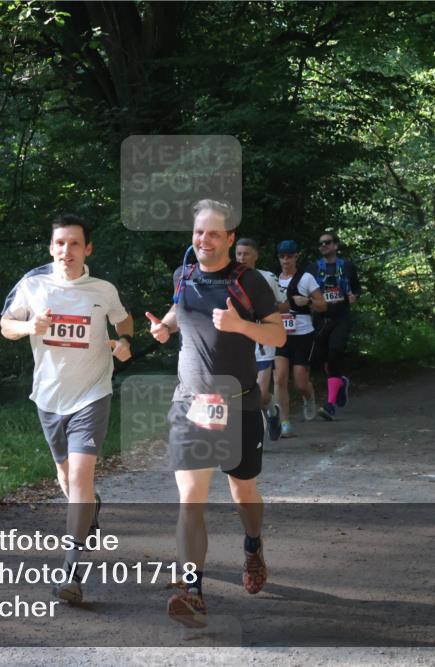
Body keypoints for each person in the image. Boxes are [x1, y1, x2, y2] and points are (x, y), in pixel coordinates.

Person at [146, 199, 285, 628]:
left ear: (228, 239)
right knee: (191, 499)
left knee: (244, 494)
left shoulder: (250, 283)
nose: (202, 240)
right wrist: (166, 326)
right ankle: (194, 592)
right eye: (197, 232)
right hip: (191, 403)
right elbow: (180, 307)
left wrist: (242, 325)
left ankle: (253, 544)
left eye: (212, 233)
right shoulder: (183, 273)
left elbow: (277, 334)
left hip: (239, 403)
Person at [0, 214, 133, 604]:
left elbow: (124, 326)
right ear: (51, 248)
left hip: (92, 393)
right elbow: (6, 325)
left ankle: (71, 572)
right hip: (48, 397)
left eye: (75, 243)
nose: (67, 251)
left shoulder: (102, 290)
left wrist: (123, 345)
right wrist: (30, 328)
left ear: (87, 249)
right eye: (60, 243)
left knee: (80, 474)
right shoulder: (33, 284)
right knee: (66, 478)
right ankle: (88, 509)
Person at [235, 237, 288, 440]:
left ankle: (272, 411)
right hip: (239, 343)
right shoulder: (228, 279)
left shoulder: (268, 277)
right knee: (242, 393)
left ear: (255, 255)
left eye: (246, 254)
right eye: (238, 254)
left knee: (261, 394)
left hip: (263, 343)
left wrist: (264, 310)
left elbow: (285, 305)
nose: (241, 258)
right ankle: (249, 437)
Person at [274, 240, 326, 436]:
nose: (286, 260)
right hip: (280, 334)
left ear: (297, 256)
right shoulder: (274, 280)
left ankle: (309, 396)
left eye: (290, 256)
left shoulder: (306, 279)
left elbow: (323, 306)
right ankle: (284, 422)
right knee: (279, 378)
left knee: (300, 382)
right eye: (282, 256)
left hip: (303, 334)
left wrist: (309, 301)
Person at [309, 231, 361, 421]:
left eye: (328, 242)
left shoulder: (347, 266)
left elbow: (357, 288)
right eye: (321, 243)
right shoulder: (313, 268)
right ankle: (340, 382)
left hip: (341, 317)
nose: (324, 246)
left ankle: (330, 405)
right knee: (323, 359)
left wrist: (354, 296)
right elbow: (303, 289)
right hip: (321, 320)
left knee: (335, 352)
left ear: (336, 245)